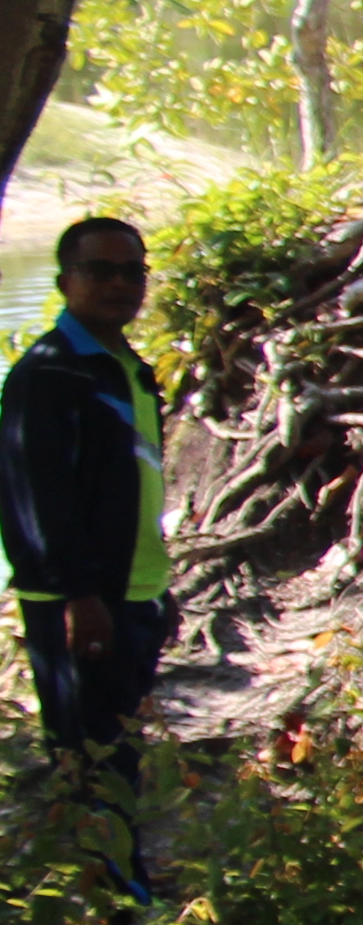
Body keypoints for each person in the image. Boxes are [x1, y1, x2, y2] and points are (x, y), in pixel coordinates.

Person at [4, 216, 172, 834]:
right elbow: (34, 495)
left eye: (132, 271)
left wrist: (158, 587)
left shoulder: (124, 367)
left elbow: (131, 481)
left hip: (133, 592)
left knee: (119, 749)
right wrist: (79, 596)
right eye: (100, 270)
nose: (119, 283)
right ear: (64, 281)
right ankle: (103, 903)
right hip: (80, 602)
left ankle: (118, 894)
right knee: (88, 757)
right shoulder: (51, 374)